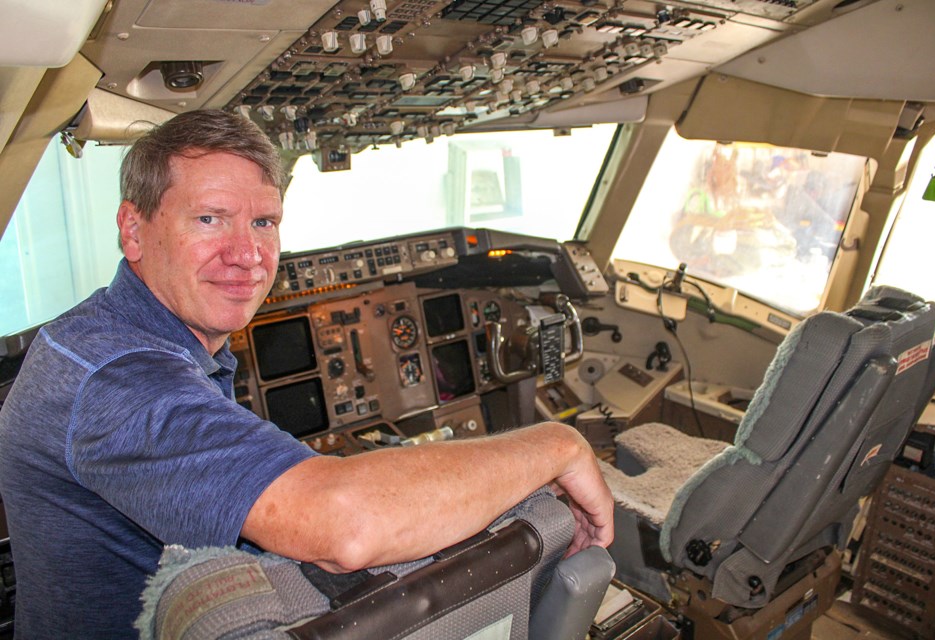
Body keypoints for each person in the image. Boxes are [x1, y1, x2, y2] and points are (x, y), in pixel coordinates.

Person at [0, 110, 613, 638]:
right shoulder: (114, 379)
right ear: (133, 230)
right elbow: (346, 524)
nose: (247, 255)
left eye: (263, 222)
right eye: (210, 219)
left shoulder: (153, 339)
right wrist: (555, 445)